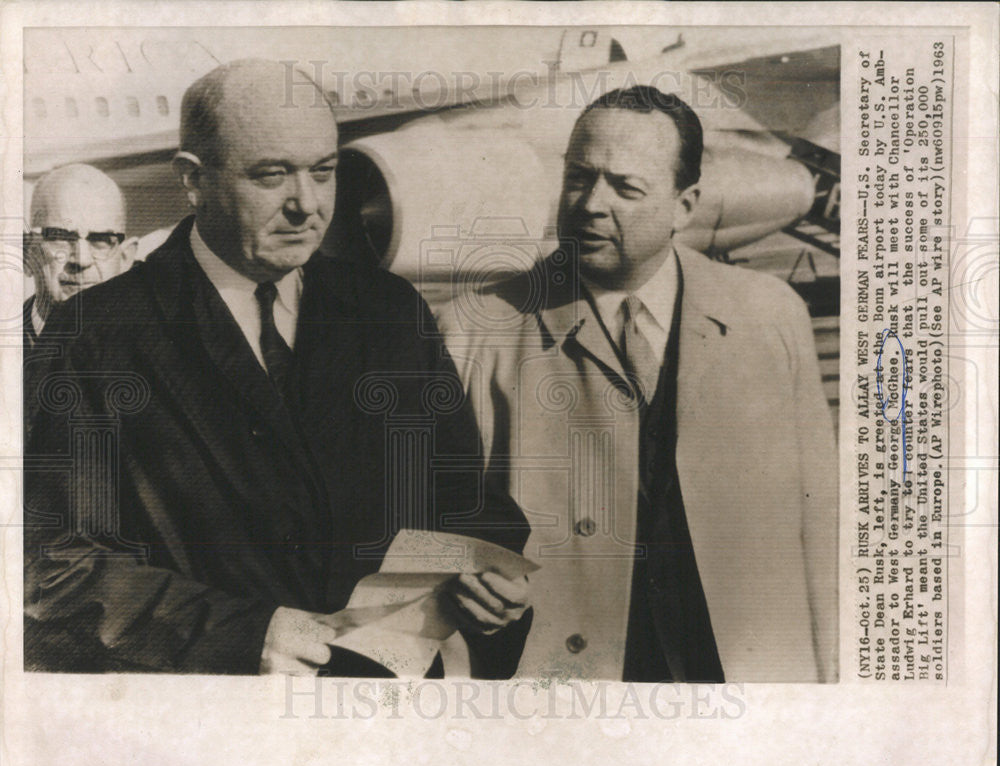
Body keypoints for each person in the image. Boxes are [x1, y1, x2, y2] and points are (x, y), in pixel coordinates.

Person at [24, 59, 530, 676]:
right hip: (208, 724)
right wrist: (241, 636)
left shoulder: (390, 312)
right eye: (272, 176)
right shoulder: (93, 338)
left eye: (324, 172)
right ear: (192, 180)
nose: (307, 205)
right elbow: (54, 564)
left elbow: (463, 501)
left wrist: (490, 584)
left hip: (381, 722)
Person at [439, 86, 837, 683]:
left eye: (625, 187)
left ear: (685, 205)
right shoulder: (473, 330)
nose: (591, 203)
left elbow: (821, 520)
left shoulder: (771, 314)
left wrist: (834, 689)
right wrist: (460, 577)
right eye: (579, 177)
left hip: (744, 689)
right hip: (567, 697)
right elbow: (421, 527)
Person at [22, 163, 137, 349]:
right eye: (60, 237)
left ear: (126, 259)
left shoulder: (159, 354)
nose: (82, 260)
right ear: (28, 253)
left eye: (100, 240)